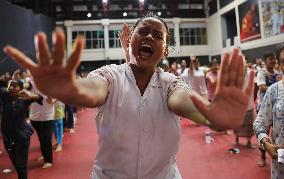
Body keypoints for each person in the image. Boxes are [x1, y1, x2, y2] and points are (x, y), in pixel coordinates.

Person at [4, 14, 254, 178]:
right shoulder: (111, 75)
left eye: (158, 35)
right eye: (143, 31)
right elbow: (93, 90)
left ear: (165, 50)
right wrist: (71, 90)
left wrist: (211, 116)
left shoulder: (169, 82)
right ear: (131, 39)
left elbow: (182, 100)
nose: (149, 37)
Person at [0, 79, 43, 179]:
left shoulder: (24, 98)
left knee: (21, 165)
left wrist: (30, 96)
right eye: (10, 85)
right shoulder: (4, 96)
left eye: (15, 86)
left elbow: (40, 97)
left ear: (20, 88)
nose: (11, 88)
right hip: (8, 137)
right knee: (16, 163)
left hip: (22, 135)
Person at [253, 46, 284, 179]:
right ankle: (262, 156)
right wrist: (266, 143)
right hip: (281, 161)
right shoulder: (274, 90)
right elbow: (260, 124)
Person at [256, 51, 280, 167]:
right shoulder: (262, 73)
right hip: (264, 106)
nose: (273, 61)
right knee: (264, 132)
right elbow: (261, 87)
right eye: (271, 59)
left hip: (278, 106)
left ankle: (279, 154)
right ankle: (263, 156)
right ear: (265, 61)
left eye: (275, 58)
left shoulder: (277, 72)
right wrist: (276, 88)